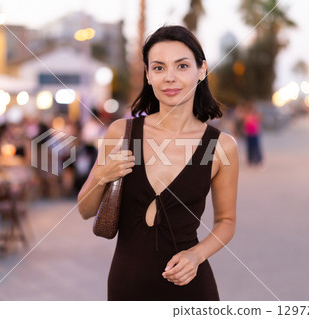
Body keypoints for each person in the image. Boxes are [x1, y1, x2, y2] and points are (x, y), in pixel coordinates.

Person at [77, 25, 238, 301]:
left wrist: (196, 255)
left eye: (182, 66)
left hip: (190, 288)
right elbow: (85, 209)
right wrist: (101, 175)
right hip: (126, 286)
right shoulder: (121, 133)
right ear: (148, 75)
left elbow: (226, 220)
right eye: (159, 68)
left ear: (201, 71)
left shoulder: (222, 147)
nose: (170, 78)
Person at [242, 101, 263, 166]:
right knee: (249, 148)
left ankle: (258, 160)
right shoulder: (246, 116)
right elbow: (245, 124)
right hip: (249, 134)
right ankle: (250, 160)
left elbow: (260, 120)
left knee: (256, 147)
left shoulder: (255, 115)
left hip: (254, 133)